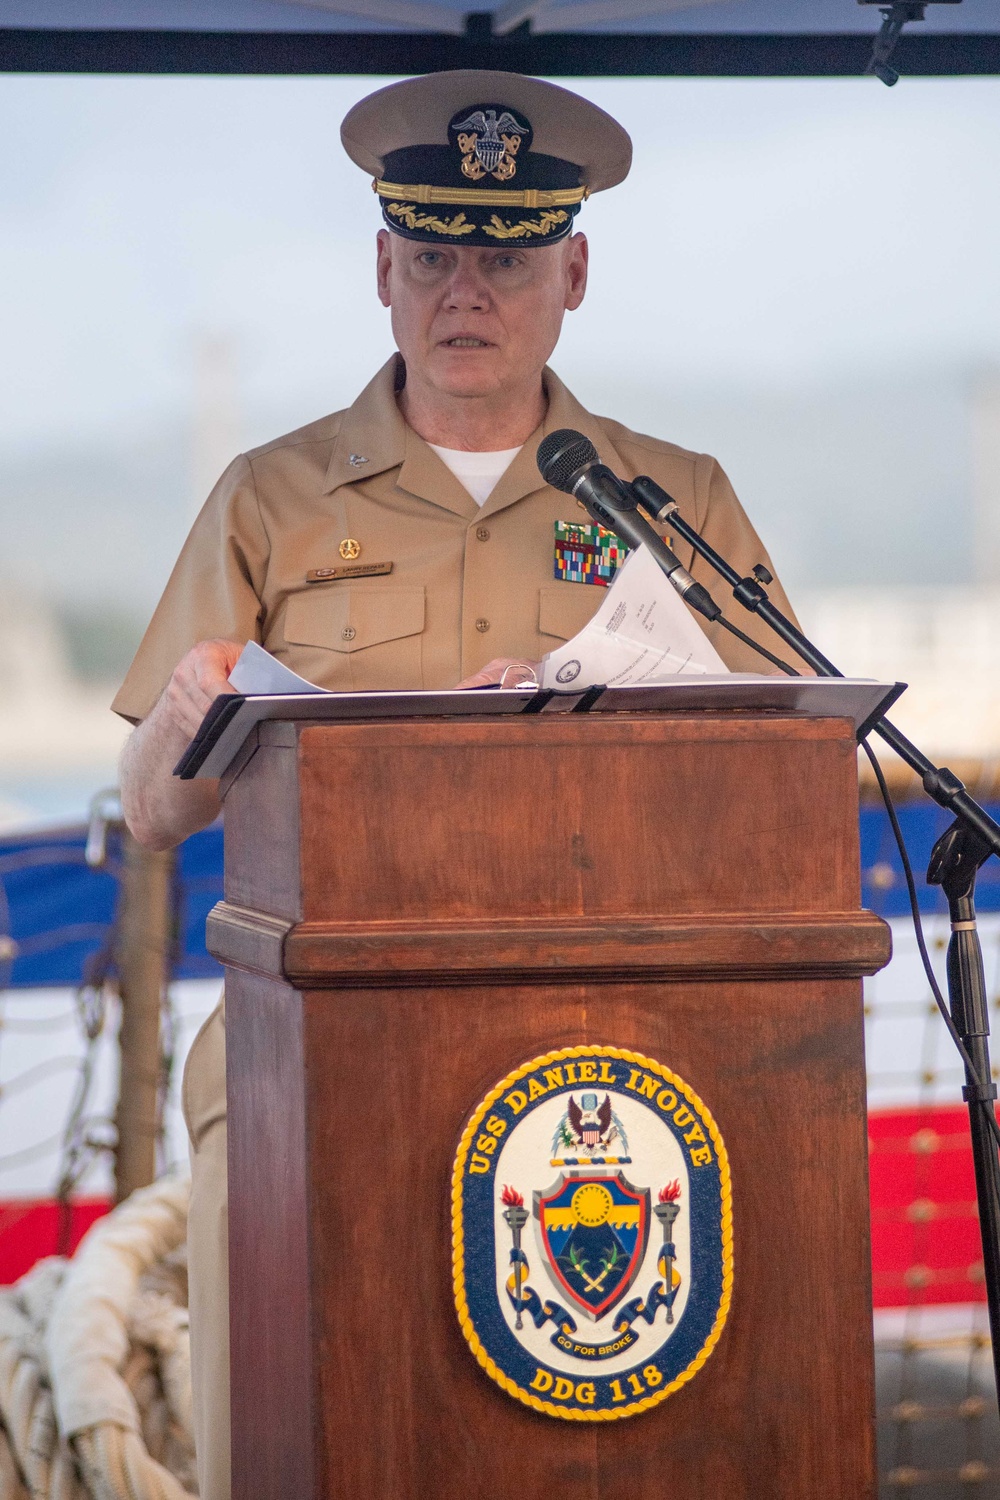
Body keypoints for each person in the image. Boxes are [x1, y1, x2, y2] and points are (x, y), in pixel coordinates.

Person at [113, 68, 799, 1500]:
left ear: (576, 271)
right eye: (432, 253)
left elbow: (790, 754)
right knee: (296, 1425)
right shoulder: (269, 495)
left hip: (634, 1032)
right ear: (382, 268)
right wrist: (178, 720)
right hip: (304, 1029)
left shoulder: (677, 502)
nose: (463, 292)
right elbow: (153, 814)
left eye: (504, 257)